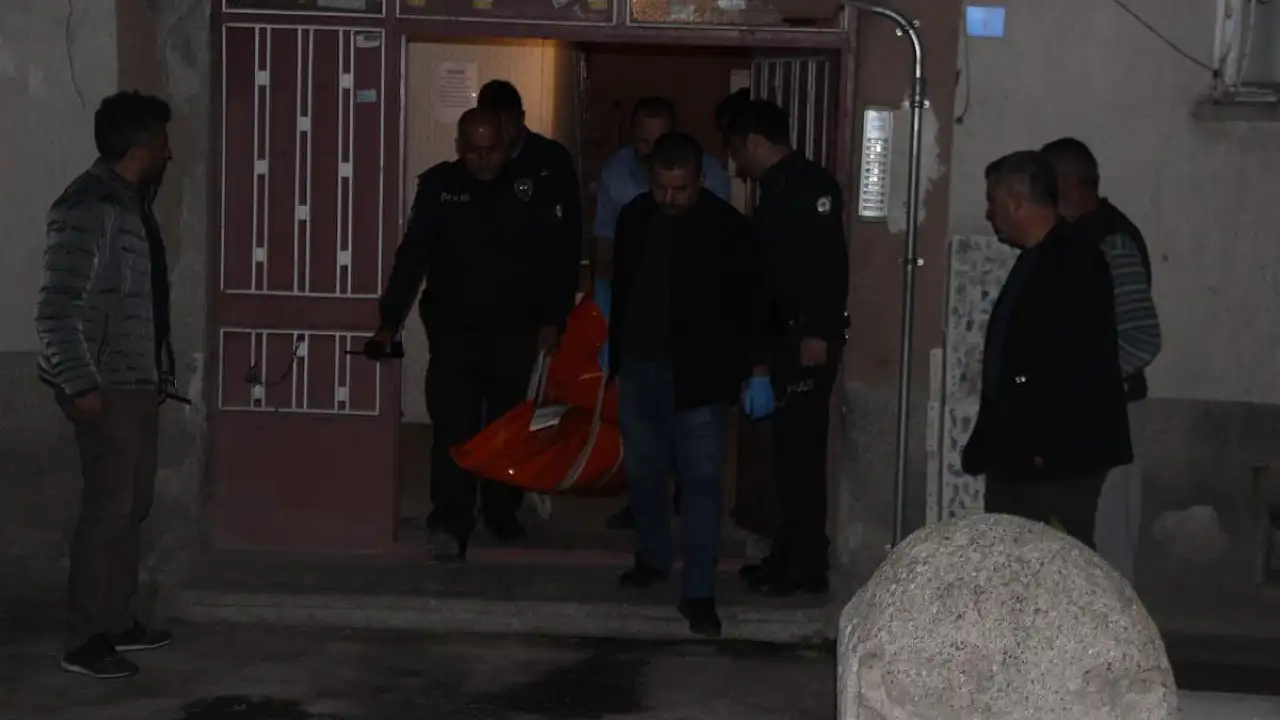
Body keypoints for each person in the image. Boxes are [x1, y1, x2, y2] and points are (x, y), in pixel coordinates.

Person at [371, 108, 571, 561]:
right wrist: (390, 318)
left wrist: (552, 319)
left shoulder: (529, 188)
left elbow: (552, 259)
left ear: (507, 143)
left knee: (507, 425)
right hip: (454, 329)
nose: (483, 161)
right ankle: (451, 517)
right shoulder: (440, 187)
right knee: (453, 425)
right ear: (460, 147)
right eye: (473, 151)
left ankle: (501, 510)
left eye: (492, 150)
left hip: (513, 328)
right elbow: (413, 256)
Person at [604, 132, 770, 637]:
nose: (670, 198)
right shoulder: (635, 217)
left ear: (700, 180)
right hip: (640, 367)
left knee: (700, 484)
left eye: (680, 189)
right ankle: (652, 557)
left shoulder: (728, 229)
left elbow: (753, 304)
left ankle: (699, 591)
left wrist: (757, 370)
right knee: (644, 473)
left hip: (701, 376)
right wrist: (613, 344)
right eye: (661, 187)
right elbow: (622, 283)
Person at [36, 90, 178, 679]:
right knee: (108, 509)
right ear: (140, 148)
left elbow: (143, 300)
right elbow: (56, 309)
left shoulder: (128, 202)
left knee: (131, 505)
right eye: (163, 144)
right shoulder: (88, 207)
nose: (169, 154)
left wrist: (157, 370)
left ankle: (117, 622)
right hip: (103, 385)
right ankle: (85, 638)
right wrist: (79, 385)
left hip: (134, 382)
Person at [961, 150, 1133, 548]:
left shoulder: (1074, 262)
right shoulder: (1039, 260)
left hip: (1055, 461)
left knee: (1056, 558)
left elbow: (1069, 363)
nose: (988, 213)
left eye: (992, 201)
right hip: (1021, 455)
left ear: (1016, 202)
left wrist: (1043, 449)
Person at [726, 100, 848, 597]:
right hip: (782, 340)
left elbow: (827, 265)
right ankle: (787, 551)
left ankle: (806, 562)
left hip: (803, 342)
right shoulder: (777, 189)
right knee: (785, 457)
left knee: (801, 457)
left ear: (755, 143)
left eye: (738, 151)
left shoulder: (810, 187)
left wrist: (817, 331)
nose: (738, 164)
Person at [594, 96, 733, 532]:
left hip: (695, 348)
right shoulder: (620, 181)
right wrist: (605, 311)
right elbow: (608, 250)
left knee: (698, 466)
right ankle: (648, 535)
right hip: (642, 345)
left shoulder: (713, 187)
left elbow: (731, 276)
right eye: (642, 142)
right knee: (643, 454)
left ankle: (694, 554)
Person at [1041, 137, 1160, 581]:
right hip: (1085, 415)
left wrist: (1086, 382)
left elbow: (1143, 339)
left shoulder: (1112, 242)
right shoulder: (1074, 240)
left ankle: (1120, 628)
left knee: (1109, 546)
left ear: (1070, 185)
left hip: (1112, 414)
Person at [477, 79, 584, 300]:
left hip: (540, 290)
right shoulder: (477, 161)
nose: (502, 134)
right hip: (489, 293)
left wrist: (563, 296)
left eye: (507, 124)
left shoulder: (552, 158)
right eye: (495, 125)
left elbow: (570, 230)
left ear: (521, 118)